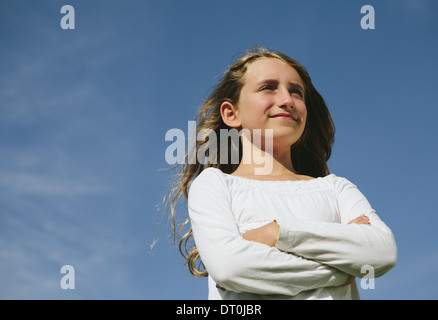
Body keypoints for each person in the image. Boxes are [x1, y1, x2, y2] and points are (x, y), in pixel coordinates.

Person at [166, 47, 397, 299]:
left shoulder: (336, 189)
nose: (287, 100)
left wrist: (277, 234)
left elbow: (382, 253)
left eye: (296, 92)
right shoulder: (215, 185)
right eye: (268, 87)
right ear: (231, 114)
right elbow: (232, 268)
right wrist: (341, 268)